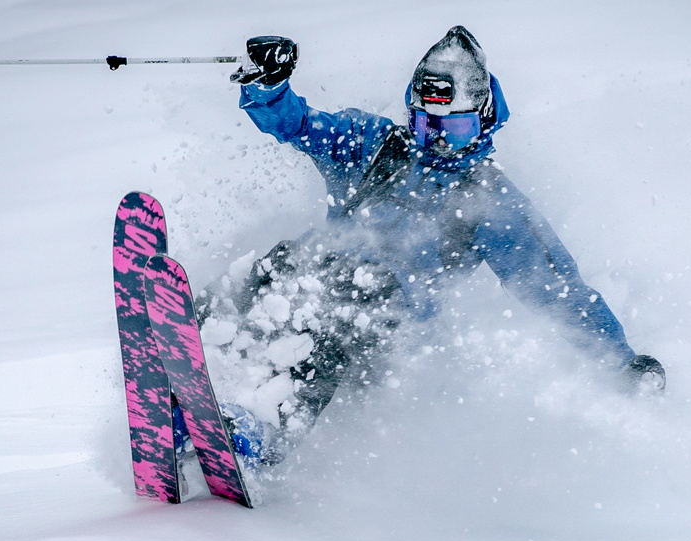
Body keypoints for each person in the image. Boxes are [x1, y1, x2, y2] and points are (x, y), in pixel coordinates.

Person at [196, 26, 664, 467]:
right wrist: (270, 87)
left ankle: (261, 435)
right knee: (284, 264)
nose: (438, 140)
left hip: (385, 332)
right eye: (425, 125)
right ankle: (191, 342)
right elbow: (300, 125)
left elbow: (557, 290)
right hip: (312, 284)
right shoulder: (372, 145)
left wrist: (622, 363)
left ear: (482, 120)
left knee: (352, 302)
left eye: (453, 128)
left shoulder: (490, 202)